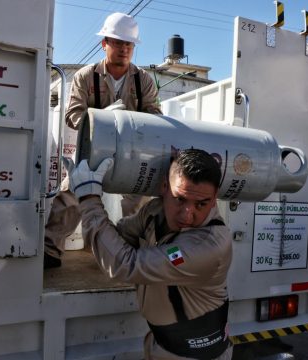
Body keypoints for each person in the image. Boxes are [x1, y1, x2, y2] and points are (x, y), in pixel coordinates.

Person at [63, 148, 233, 360]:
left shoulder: (209, 246)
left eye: (201, 204)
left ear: (215, 198)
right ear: (164, 187)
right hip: (160, 345)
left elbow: (125, 264)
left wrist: (88, 197)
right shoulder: (155, 212)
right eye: (180, 199)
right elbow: (118, 239)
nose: (188, 215)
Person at [44, 12, 162, 268]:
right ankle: (49, 249)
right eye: (118, 43)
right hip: (93, 150)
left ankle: (131, 251)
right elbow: (72, 113)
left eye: (128, 44)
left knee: (137, 200)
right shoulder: (86, 76)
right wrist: (100, 122)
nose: (124, 49)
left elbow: (155, 117)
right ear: (105, 44)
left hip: (132, 154)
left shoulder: (144, 81)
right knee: (71, 192)